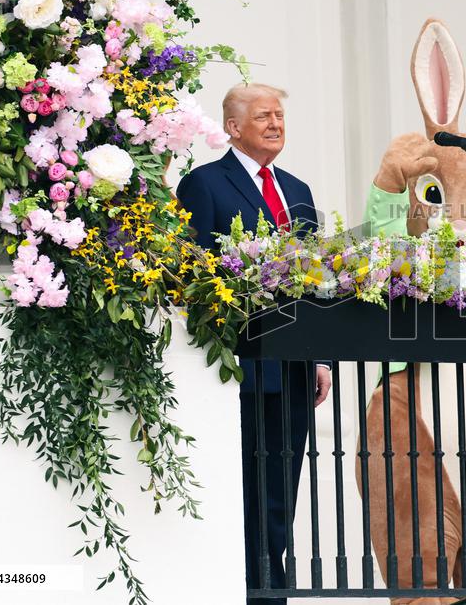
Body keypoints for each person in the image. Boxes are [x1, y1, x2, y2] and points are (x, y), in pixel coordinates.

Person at [176, 83, 331, 605]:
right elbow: (192, 274)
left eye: (279, 115)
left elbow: (315, 280)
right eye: (263, 116)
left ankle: (270, 590)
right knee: (245, 489)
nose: (275, 123)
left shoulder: (298, 190)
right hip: (240, 368)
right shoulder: (204, 184)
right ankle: (248, 590)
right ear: (233, 127)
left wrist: (321, 358)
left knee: (281, 492)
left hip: (293, 368)